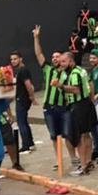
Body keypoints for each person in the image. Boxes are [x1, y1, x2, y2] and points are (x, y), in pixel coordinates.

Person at [33, 26, 73, 168]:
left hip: (63, 107)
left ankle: (74, 159)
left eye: (57, 57)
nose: (54, 59)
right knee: (54, 136)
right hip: (49, 108)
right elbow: (39, 55)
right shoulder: (48, 69)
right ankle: (59, 160)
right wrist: (36, 38)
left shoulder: (68, 73)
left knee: (67, 134)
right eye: (53, 57)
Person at [60, 52, 97, 176]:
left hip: (79, 106)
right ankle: (88, 161)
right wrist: (92, 100)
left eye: (64, 61)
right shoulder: (82, 70)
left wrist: (61, 86)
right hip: (86, 104)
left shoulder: (74, 73)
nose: (62, 64)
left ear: (71, 61)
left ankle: (83, 165)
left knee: (81, 136)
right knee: (87, 134)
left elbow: (76, 90)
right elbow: (91, 84)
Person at [10, 50, 35, 154]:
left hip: (22, 99)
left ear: (21, 58)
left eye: (15, 59)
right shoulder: (20, 70)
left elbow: (28, 84)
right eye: (11, 59)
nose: (13, 61)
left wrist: (32, 97)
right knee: (23, 121)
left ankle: (26, 145)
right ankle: (30, 143)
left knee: (21, 122)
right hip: (21, 98)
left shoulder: (23, 70)